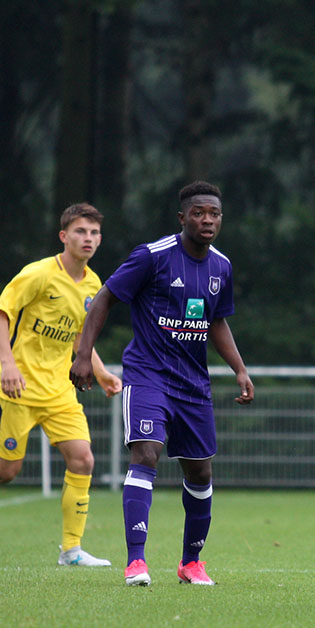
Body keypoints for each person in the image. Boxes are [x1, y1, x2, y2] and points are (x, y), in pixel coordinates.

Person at [69, 181, 254, 587]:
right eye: (199, 212)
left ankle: (191, 564)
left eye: (214, 214)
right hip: (148, 375)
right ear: (182, 217)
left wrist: (239, 369)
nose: (207, 219)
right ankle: (136, 562)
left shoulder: (221, 266)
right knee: (147, 454)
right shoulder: (152, 257)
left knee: (201, 474)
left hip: (194, 385)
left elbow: (216, 320)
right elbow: (104, 298)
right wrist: (84, 355)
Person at [0, 203, 122, 567]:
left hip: (59, 391)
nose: (88, 238)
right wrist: (6, 363)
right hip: (16, 387)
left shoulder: (93, 284)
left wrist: (99, 372)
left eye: (94, 233)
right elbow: (2, 313)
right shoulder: (38, 274)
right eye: (81, 231)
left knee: (83, 458)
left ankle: (71, 550)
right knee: (7, 471)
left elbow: (79, 338)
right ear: (64, 236)